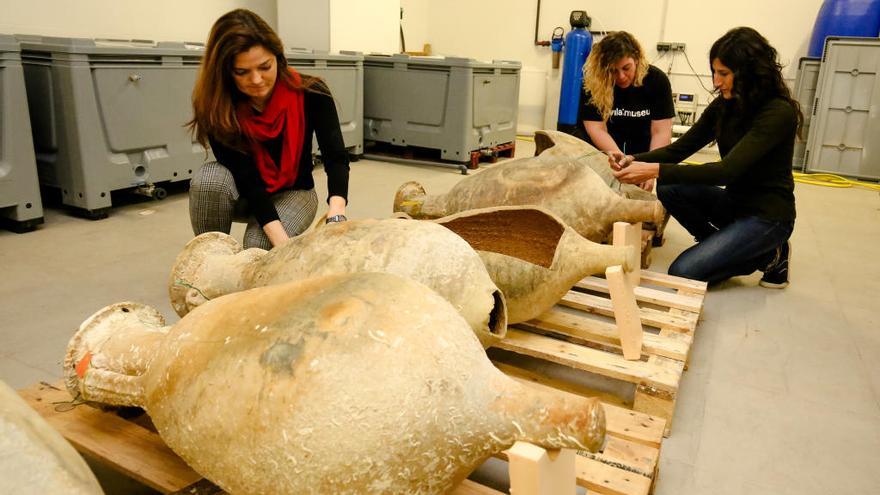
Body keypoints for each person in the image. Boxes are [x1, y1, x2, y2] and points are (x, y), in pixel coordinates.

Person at [608, 27, 801, 288]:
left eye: (723, 74)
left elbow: (726, 171)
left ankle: (769, 256)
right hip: (735, 204)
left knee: (683, 272)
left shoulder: (778, 113)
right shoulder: (725, 105)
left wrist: (653, 170)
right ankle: (727, 248)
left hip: (767, 216)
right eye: (714, 72)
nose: (716, 82)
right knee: (670, 187)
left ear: (749, 72)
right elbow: (679, 150)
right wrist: (632, 159)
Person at [187, 9, 349, 250]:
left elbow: (335, 157)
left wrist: (336, 214)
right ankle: (212, 257)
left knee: (257, 247)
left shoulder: (313, 93)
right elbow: (247, 179)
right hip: (246, 193)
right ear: (225, 72)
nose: (256, 80)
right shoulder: (218, 106)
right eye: (242, 72)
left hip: (294, 192)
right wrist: (280, 240)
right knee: (209, 180)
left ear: (278, 57)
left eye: (265, 66)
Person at [580, 31, 674, 191]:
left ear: (636, 59)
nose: (621, 76)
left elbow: (661, 131)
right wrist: (618, 159)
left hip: (643, 154)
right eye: (613, 71)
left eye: (626, 68)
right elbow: (597, 129)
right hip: (605, 151)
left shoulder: (657, 80)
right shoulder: (594, 83)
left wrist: (648, 169)